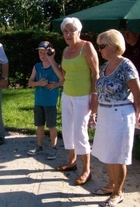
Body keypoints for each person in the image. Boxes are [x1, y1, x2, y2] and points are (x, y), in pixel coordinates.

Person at [91, 29, 140, 207]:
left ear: (114, 46)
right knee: (108, 153)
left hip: (121, 114)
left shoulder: (126, 65)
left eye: (102, 46)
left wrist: (136, 117)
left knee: (119, 155)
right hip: (106, 113)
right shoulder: (105, 66)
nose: (99, 50)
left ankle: (118, 192)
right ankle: (110, 185)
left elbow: (139, 96)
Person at [49, 17, 99, 185]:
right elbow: (62, 76)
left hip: (83, 96)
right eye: (65, 31)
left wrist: (94, 96)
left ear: (79, 31)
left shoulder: (87, 47)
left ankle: (86, 171)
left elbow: (96, 73)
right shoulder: (65, 51)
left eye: (72, 31)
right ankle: (72, 162)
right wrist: (50, 60)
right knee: (68, 130)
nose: (68, 34)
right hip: (67, 94)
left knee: (80, 132)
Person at [27, 41, 63, 160]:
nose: (42, 55)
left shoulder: (56, 66)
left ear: (51, 52)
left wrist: (56, 84)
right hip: (39, 101)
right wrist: (39, 83)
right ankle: (39, 146)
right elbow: (30, 82)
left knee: (52, 126)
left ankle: (53, 148)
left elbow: (63, 80)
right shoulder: (37, 66)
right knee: (39, 125)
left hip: (51, 102)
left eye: (45, 52)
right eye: (40, 53)